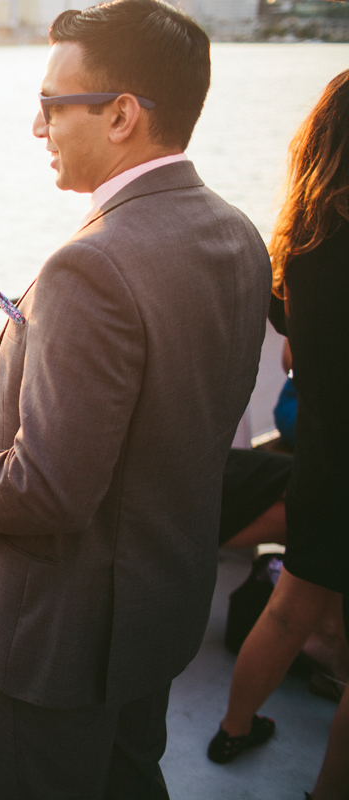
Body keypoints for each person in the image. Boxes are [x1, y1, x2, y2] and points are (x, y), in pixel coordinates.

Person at [0, 1, 272, 796]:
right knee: (132, 777)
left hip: (62, 635)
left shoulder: (91, 266)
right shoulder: (237, 234)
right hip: (156, 605)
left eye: (50, 106)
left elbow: (49, 490)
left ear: (123, 115)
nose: (39, 129)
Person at [208, 68, 349, 800]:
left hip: (323, 464)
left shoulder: (300, 245)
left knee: (291, 607)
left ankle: (233, 727)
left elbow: (290, 346)